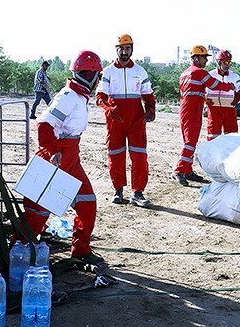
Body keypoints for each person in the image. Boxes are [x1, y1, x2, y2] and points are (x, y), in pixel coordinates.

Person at [21, 50, 104, 267]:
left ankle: (81, 250)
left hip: (71, 156)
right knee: (37, 214)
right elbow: (45, 124)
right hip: (56, 157)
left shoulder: (79, 96)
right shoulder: (68, 96)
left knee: (87, 203)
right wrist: (53, 151)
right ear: (93, 76)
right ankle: (17, 255)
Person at [95, 34, 156, 208]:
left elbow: (148, 94)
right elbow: (100, 97)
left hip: (137, 119)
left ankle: (137, 193)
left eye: (127, 48)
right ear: (116, 50)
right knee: (116, 154)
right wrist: (108, 109)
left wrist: (151, 109)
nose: (124, 51)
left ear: (132, 50)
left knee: (139, 155)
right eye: (121, 48)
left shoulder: (139, 71)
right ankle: (118, 190)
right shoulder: (107, 71)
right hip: (115, 118)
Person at [172, 45, 235, 186]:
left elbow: (192, 91)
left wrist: (204, 98)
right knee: (190, 142)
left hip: (186, 109)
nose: (206, 61)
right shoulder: (199, 72)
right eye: (203, 58)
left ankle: (187, 170)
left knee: (189, 142)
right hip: (192, 111)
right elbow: (214, 84)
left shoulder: (184, 73)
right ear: (195, 58)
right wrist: (228, 86)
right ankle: (179, 170)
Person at [205, 50, 240, 141]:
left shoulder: (234, 76)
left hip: (230, 108)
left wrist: (239, 95)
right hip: (214, 109)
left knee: (232, 137)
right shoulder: (210, 75)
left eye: (230, 62)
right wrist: (205, 99)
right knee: (213, 136)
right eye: (226, 62)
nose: (228, 64)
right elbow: (202, 90)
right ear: (219, 62)